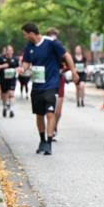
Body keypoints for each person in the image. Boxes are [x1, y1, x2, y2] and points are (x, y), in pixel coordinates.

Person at [20, 22, 77, 155]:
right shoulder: (29, 46)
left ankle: (49, 143)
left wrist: (73, 71)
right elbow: (27, 62)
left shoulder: (51, 43)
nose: (25, 37)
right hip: (37, 85)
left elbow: (66, 55)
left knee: (50, 113)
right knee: (39, 115)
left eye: (25, 35)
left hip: (51, 84)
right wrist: (23, 68)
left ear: (31, 34)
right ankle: (42, 141)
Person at [46, 28, 68, 141]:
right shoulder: (44, 50)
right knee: (51, 110)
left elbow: (69, 64)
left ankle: (54, 127)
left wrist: (62, 70)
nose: (53, 38)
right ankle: (50, 131)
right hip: (48, 81)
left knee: (58, 112)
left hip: (59, 80)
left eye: (55, 36)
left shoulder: (60, 50)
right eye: (51, 36)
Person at [0, 45, 20, 118]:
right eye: (8, 50)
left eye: (11, 50)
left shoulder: (15, 59)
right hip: (3, 79)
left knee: (11, 93)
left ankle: (11, 110)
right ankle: (5, 107)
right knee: (4, 95)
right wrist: (2, 66)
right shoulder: (1, 58)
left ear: (13, 51)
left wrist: (17, 70)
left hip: (12, 79)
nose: (9, 52)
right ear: (6, 51)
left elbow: (18, 67)